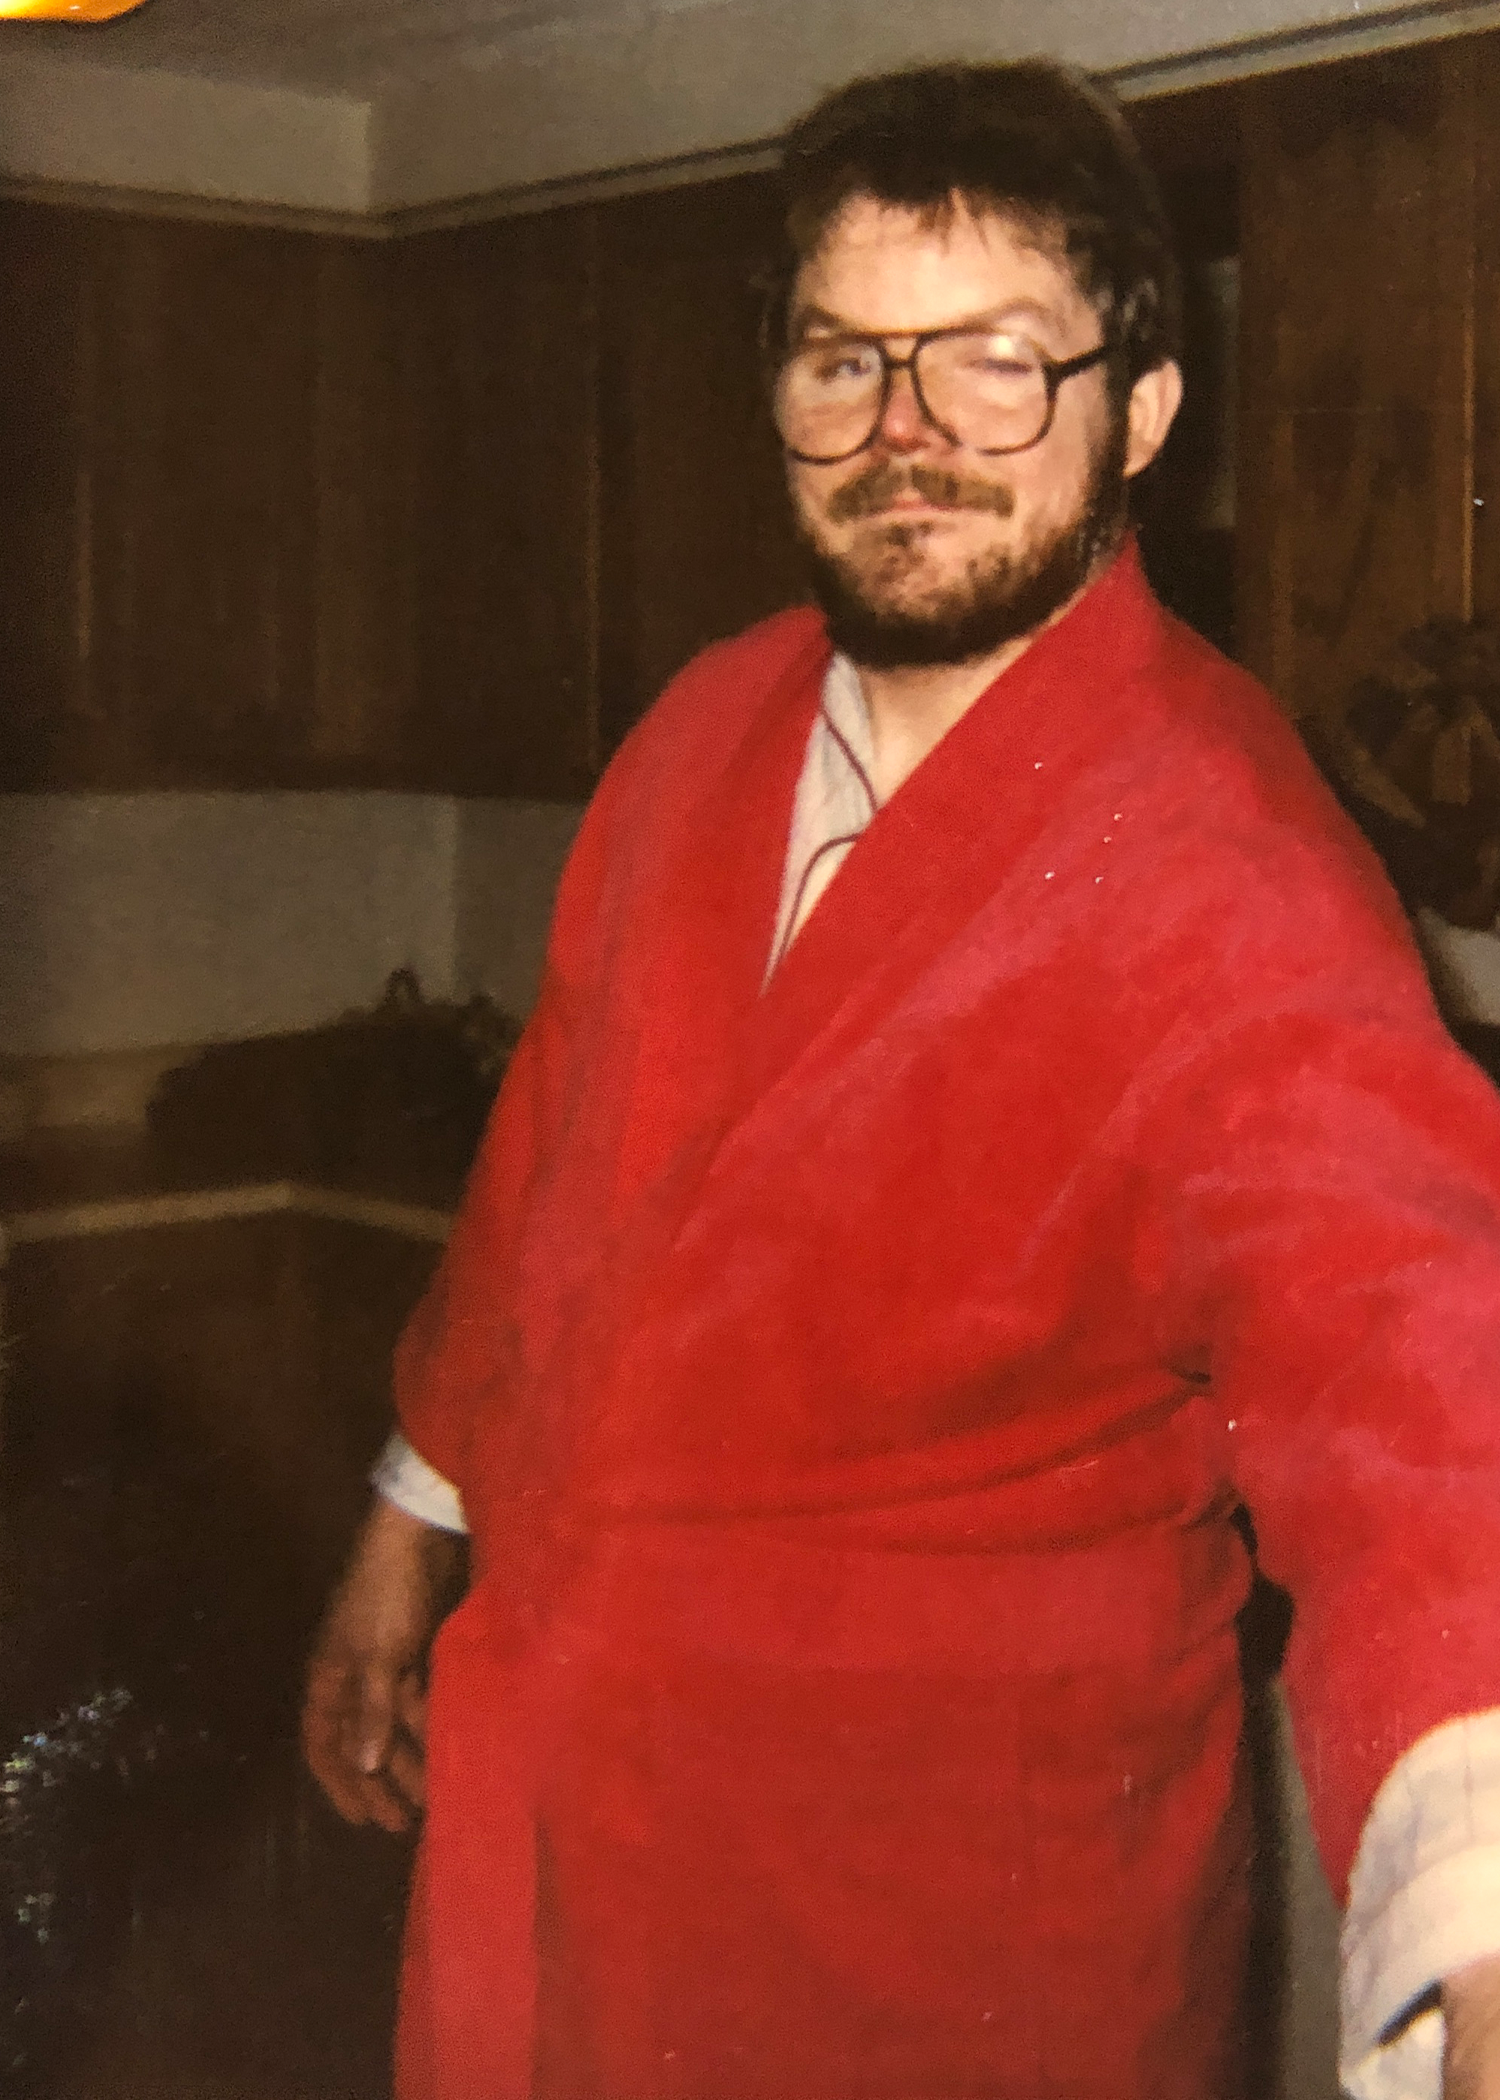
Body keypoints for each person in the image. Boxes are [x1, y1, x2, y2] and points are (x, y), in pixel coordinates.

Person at [304, 59, 1500, 2100]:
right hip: (570, 1829)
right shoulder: (710, 722)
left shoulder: (1229, 859)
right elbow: (551, 1172)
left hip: (932, 1931)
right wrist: (408, 1521)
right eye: (845, 360)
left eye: (996, 364)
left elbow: (1415, 1366)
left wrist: (1478, 1911)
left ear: (1143, 411)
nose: (905, 434)